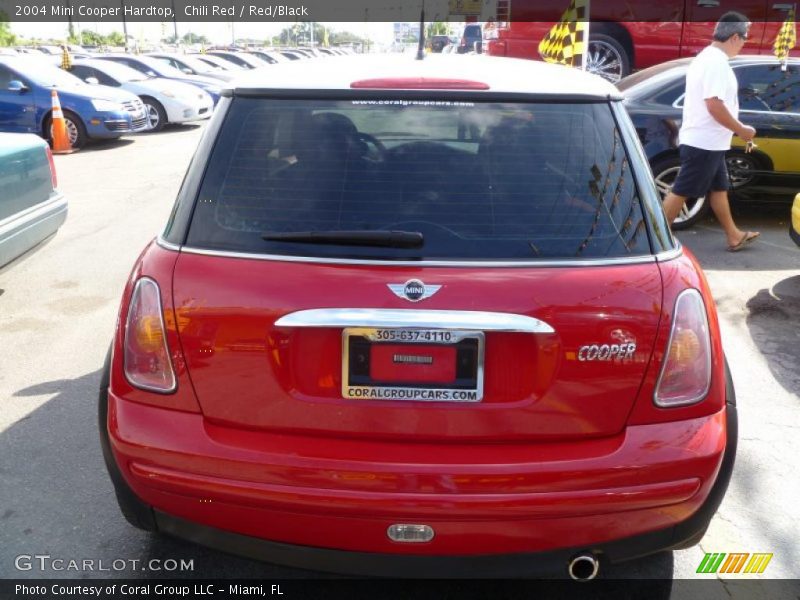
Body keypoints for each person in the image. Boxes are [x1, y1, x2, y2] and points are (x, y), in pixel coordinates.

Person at [662, 11, 760, 252]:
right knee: (682, 190)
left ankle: (734, 235)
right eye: (745, 38)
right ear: (735, 37)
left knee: (719, 189)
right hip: (704, 142)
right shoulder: (715, 62)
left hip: (710, 141)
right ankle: (653, 240)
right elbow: (714, 104)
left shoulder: (709, 58)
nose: (745, 43)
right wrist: (742, 130)